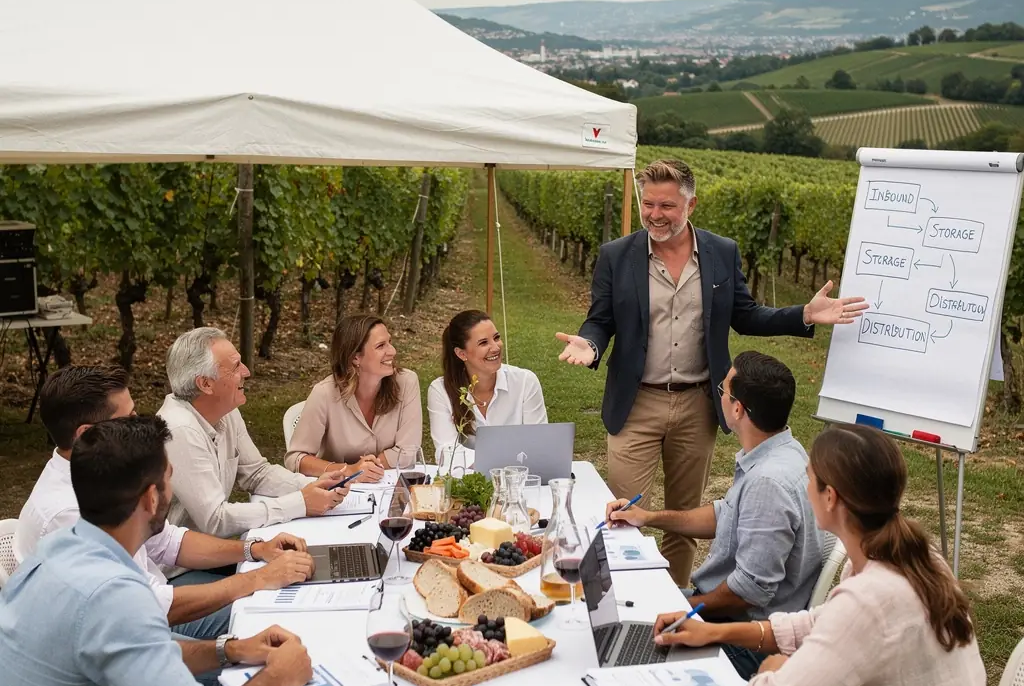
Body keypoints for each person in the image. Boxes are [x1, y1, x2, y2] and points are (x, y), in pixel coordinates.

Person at [653, 425, 994, 686]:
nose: (806, 485)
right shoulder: (911, 558)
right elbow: (820, 624)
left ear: (830, 497)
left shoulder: (872, 597)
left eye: (810, 479)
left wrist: (770, 670)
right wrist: (717, 633)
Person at [556, 158, 867, 585]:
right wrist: (589, 343)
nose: (655, 215)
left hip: (698, 404)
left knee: (682, 521)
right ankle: (621, 600)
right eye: (648, 204)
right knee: (622, 514)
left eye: (666, 205)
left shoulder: (721, 252)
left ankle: (673, 606)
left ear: (691, 204)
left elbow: (747, 315)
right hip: (636, 404)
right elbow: (601, 319)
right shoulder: (617, 256)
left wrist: (804, 315)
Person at [0, 415, 314, 686]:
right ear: (151, 498)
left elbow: (147, 651)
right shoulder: (112, 593)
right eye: (170, 476)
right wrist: (276, 676)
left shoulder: (64, 546)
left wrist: (230, 650)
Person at [14, 366, 315, 641]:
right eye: (129, 419)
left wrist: (254, 549)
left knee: (278, 603)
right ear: (86, 435)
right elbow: (148, 609)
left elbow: (166, 541)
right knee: (273, 617)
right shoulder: (67, 513)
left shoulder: (102, 473)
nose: (139, 425)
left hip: (150, 607)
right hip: (129, 634)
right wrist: (257, 579)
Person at [605, 351, 822, 678]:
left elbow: (748, 591)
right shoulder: (784, 451)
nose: (719, 396)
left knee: (617, 644)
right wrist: (647, 517)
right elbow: (725, 516)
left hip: (744, 635)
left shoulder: (768, 484)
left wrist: (687, 605)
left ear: (737, 409)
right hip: (734, 618)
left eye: (723, 391)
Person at [158, 327, 348, 540]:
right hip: (180, 569)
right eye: (236, 366)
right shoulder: (179, 430)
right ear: (205, 384)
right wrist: (301, 503)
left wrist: (314, 485)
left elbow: (257, 473)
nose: (247, 372)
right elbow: (215, 520)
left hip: (213, 552)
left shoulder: (226, 412)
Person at [286, 314, 422, 477]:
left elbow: (409, 451)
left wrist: (369, 469)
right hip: (338, 491)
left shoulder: (406, 382)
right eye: (380, 346)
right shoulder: (324, 394)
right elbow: (296, 459)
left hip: (391, 488)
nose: (392, 351)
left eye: (390, 342)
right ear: (355, 357)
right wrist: (350, 471)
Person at [427, 309, 547, 451]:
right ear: (461, 353)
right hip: (469, 473)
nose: (496, 348)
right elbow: (446, 451)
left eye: (496, 338)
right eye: (484, 343)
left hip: (518, 472)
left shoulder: (525, 382)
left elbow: (539, 443)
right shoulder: (441, 390)